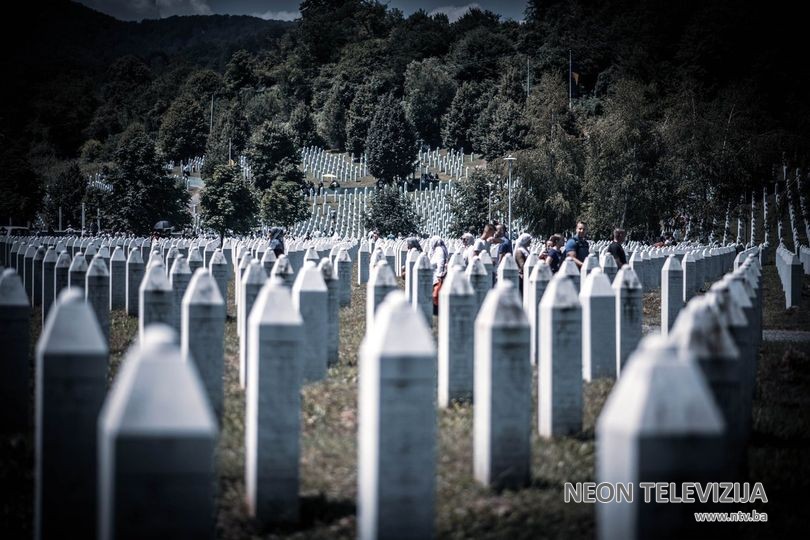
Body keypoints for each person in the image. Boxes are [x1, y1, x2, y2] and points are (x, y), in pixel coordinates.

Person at [427, 235, 448, 316]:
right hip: (435, 275)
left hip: (437, 276)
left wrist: (439, 275)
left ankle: (437, 311)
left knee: (436, 294)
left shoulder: (439, 250)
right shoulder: (438, 249)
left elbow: (441, 263)